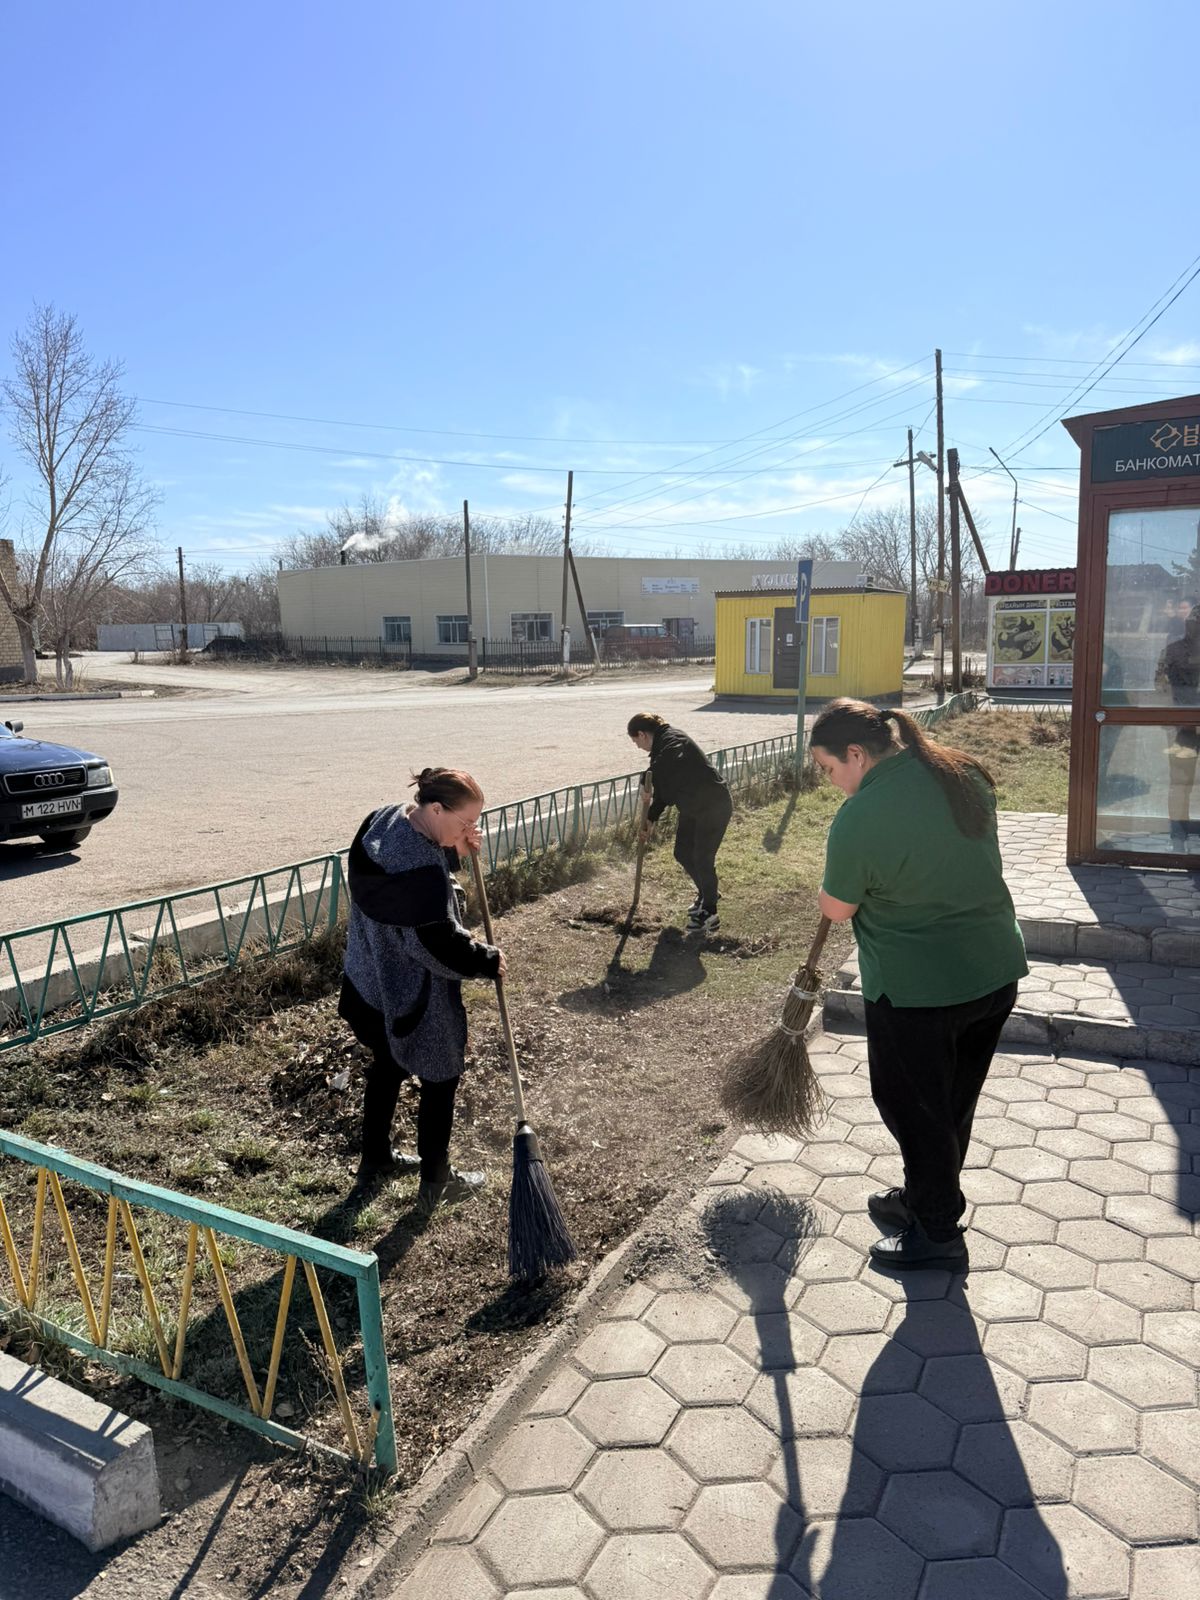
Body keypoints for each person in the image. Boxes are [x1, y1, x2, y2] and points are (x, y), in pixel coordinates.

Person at [811, 699, 1028, 1270]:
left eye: (829, 769)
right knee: (952, 1099)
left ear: (856, 754)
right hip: (992, 971)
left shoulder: (862, 816)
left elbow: (836, 909)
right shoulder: (960, 774)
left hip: (919, 991)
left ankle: (937, 1233)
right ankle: (928, 1196)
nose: (832, 783)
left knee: (914, 1109)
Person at [338, 767, 505, 1212]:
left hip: (366, 981)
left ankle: (375, 1158)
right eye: (465, 822)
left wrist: (453, 851)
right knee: (441, 1075)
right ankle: (436, 1181)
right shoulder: (422, 877)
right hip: (408, 995)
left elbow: (408, 880)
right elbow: (439, 944)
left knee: (387, 1066)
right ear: (435, 808)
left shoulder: (384, 819)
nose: (472, 830)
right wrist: (486, 960)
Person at [628, 711, 733, 933]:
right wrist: (650, 818)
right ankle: (707, 892)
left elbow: (669, 760)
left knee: (702, 857)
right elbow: (666, 793)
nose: (637, 746)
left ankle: (710, 913)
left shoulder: (673, 740)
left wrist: (646, 779)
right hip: (693, 807)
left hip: (713, 805)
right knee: (682, 853)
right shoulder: (662, 748)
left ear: (642, 734)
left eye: (635, 741)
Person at [1155, 603, 1200, 853]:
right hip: (1182, 727)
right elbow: (1159, 685)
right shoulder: (1172, 651)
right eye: (1194, 622)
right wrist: (1172, 719)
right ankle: (1178, 839)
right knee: (1181, 783)